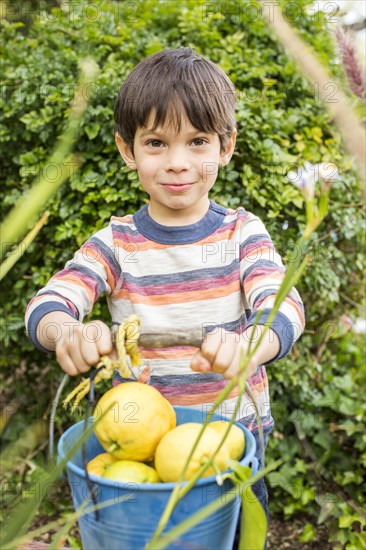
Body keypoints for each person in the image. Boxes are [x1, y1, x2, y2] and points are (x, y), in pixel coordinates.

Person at [25, 47, 305, 544]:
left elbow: (283, 305)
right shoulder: (115, 244)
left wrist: (250, 344)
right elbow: (51, 301)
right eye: (156, 142)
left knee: (232, 537)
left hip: (230, 438)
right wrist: (66, 330)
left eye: (198, 141)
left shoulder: (242, 234)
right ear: (127, 149)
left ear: (226, 146)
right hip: (138, 448)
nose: (178, 163)